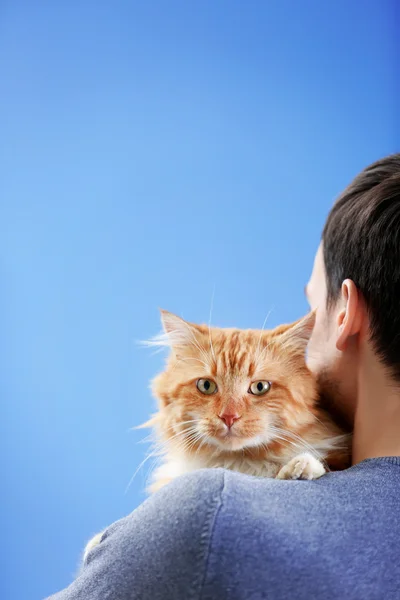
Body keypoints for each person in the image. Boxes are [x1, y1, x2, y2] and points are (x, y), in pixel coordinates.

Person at [47, 154, 400, 600]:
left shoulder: (210, 513)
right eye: (208, 386)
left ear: (345, 312)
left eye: (313, 306)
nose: (232, 414)